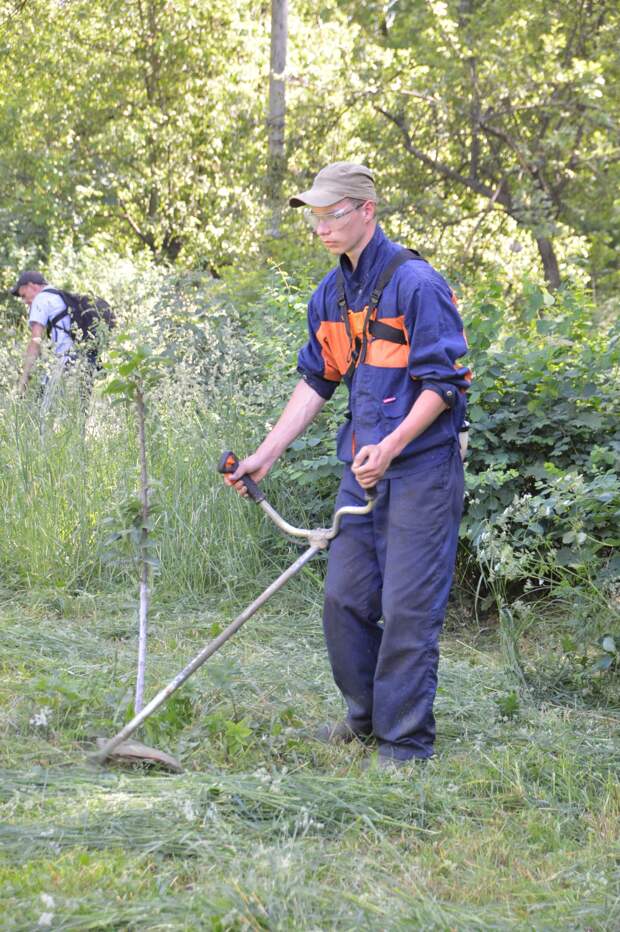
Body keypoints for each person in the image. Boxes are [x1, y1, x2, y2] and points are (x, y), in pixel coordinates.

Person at [227, 162, 471, 769]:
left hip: (421, 469)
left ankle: (405, 743)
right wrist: (266, 453)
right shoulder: (330, 296)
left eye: (332, 214)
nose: (321, 227)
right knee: (344, 601)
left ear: (367, 210)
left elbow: (446, 385)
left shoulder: (417, 284)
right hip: (360, 473)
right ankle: (364, 720)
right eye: (315, 215)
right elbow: (318, 380)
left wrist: (391, 446)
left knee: (410, 608)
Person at [12, 270, 92, 414]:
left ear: (32, 286)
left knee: (43, 413)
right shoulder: (57, 295)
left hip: (65, 361)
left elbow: (35, 340)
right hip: (81, 361)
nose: (24, 301)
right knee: (76, 413)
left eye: (24, 296)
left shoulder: (40, 299)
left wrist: (24, 378)